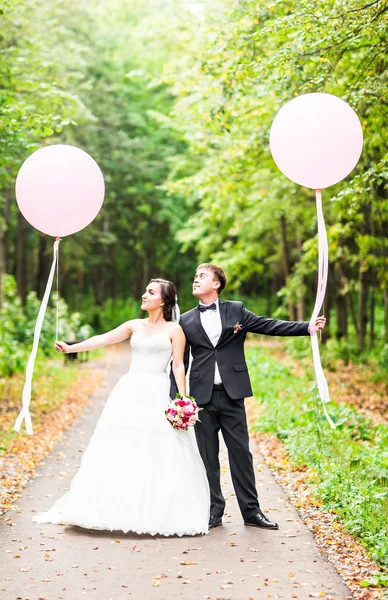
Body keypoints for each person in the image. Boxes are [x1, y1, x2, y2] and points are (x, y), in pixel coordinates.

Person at [33, 279, 210, 537]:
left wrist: (183, 400)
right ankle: (112, 506)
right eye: (145, 290)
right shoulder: (133, 325)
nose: (144, 295)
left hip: (158, 391)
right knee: (120, 444)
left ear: (162, 301)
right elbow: (103, 339)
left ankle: (153, 510)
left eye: (150, 292)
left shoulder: (175, 330)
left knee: (157, 448)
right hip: (130, 389)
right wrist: (72, 347)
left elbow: (179, 367)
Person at [171, 263, 326, 531]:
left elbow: (269, 325)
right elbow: (179, 364)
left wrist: (307, 327)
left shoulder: (236, 310)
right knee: (208, 457)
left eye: (202, 276)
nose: (195, 280)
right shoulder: (184, 320)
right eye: (194, 276)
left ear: (217, 284)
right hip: (201, 399)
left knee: (241, 454)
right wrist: (179, 401)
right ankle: (213, 511)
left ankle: (251, 512)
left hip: (232, 394)